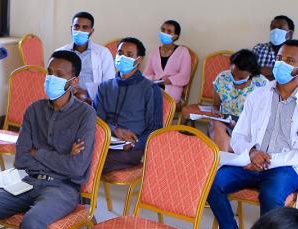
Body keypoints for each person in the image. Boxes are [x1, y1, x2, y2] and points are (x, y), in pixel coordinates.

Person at [0, 50, 96, 229]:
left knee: (32, 223)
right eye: (49, 73)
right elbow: (22, 159)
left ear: (73, 81)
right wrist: (63, 156)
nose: (50, 79)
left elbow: (76, 167)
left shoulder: (85, 114)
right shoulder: (34, 109)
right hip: (27, 180)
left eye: (58, 74)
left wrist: (38, 153)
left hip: (63, 188)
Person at [207, 39, 298, 229]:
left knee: (270, 196)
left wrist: (268, 160)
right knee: (212, 182)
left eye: (290, 61)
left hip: (284, 167)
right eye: (280, 58)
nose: (281, 64)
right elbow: (239, 136)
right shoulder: (258, 95)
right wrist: (252, 152)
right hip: (251, 161)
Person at [94, 37, 164, 172]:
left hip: (129, 149)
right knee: (76, 155)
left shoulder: (150, 89)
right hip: (103, 142)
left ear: (138, 60)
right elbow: (96, 120)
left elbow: (155, 128)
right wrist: (114, 129)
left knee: (89, 162)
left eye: (129, 55)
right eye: (120, 53)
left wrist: (134, 145)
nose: (122, 57)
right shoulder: (104, 87)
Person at [199, 49, 269, 152]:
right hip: (224, 120)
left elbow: (264, 115)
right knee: (217, 125)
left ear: (251, 73)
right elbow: (215, 105)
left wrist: (239, 125)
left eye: (241, 77)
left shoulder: (262, 85)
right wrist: (216, 113)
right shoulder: (223, 78)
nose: (235, 79)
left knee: (223, 142)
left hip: (248, 125)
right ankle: (224, 155)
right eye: (233, 74)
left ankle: (224, 154)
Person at [55, 12, 115, 103]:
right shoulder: (59, 53)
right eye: (76, 26)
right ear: (71, 29)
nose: (80, 30)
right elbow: (53, 80)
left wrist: (87, 94)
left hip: (92, 101)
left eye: (85, 28)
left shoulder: (103, 53)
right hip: (65, 100)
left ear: (91, 31)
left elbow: (110, 84)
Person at [143, 20, 194, 101]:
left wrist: (169, 80)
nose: (165, 33)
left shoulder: (183, 51)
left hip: (172, 91)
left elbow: (184, 75)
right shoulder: (154, 52)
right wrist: (156, 80)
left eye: (169, 31)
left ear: (176, 36)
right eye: (163, 30)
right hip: (153, 89)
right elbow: (146, 74)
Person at [252, 15, 294, 79]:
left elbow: (296, 79)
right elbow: (248, 71)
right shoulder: (258, 49)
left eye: (280, 28)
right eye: (273, 28)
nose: (275, 31)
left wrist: (268, 71)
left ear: (290, 34)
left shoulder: (296, 54)